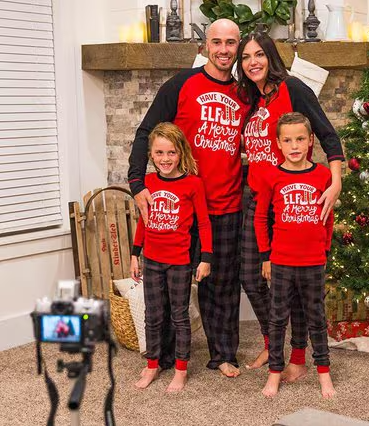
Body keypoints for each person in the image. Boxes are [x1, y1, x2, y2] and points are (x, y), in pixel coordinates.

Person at [128, 19, 248, 377]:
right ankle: (162, 358)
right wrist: (138, 184)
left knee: (221, 285)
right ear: (205, 45)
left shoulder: (246, 93)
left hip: (225, 205)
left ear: (238, 47)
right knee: (165, 290)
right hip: (178, 208)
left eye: (230, 43)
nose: (224, 50)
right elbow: (145, 132)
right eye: (217, 42)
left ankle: (223, 354)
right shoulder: (181, 84)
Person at [236, 31, 344, 378]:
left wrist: (336, 181)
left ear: (271, 56)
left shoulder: (293, 89)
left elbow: (327, 134)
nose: (253, 62)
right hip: (257, 197)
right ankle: (273, 343)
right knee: (251, 276)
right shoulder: (250, 99)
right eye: (246, 57)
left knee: (296, 286)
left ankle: (297, 355)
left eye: (259, 55)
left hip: (292, 197)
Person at [254, 112, 336, 398]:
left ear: (310, 140)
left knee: (316, 317)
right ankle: (274, 372)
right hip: (282, 261)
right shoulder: (271, 175)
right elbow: (261, 218)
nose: (294, 145)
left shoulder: (323, 175)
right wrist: (266, 255)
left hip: (313, 261)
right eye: (287, 140)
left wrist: (324, 250)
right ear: (278, 143)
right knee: (278, 319)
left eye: (300, 139)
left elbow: (328, 217)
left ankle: (324, 374)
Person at [130, 122, 212, 392]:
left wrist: (205, 258)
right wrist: (134, 255)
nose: (165, 159)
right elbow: (143, 221)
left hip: (179, 262)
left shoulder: (193, 184)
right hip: (151, 261)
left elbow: (203, 225)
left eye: (171, 153)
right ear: (151, 155)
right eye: (159, 153)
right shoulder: (148, 184)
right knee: (152, 315)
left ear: (181, 154)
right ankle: (153, 364)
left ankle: (180, 368)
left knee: (179, 315)